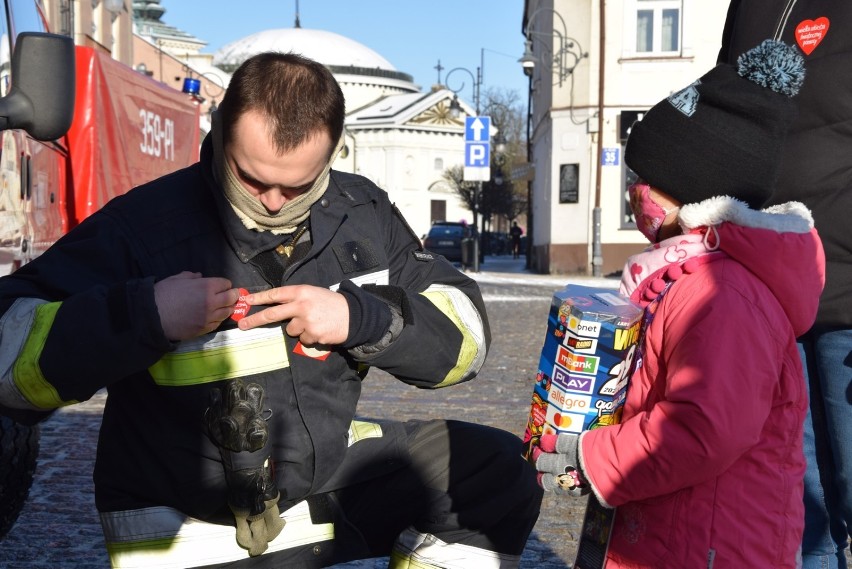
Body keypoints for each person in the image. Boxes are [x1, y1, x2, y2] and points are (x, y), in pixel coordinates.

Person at [0, 52, 542, 568]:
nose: (274, 203)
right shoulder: (142, 228)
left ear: (333, 153)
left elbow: (466, 334)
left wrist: (363, 318)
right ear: (220, 136)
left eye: (299, 185)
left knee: (491, 474)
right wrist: (146, 315)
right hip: (189, 526)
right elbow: (6, 356)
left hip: (315, 484)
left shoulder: (363, 212)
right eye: (252, 178)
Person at [532, 40, 825, 567]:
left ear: (693, 191)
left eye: (646, 181)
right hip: (670, 528)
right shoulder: (680, 274)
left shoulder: (722, 293)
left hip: (712, 544)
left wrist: (595, 457)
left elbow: (705, 428)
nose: (633, 192)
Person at [718, 3, 852, 566]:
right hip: (766, 283)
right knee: (793, 497)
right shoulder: (748, 4)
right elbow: (721, 110)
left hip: (846, 287)